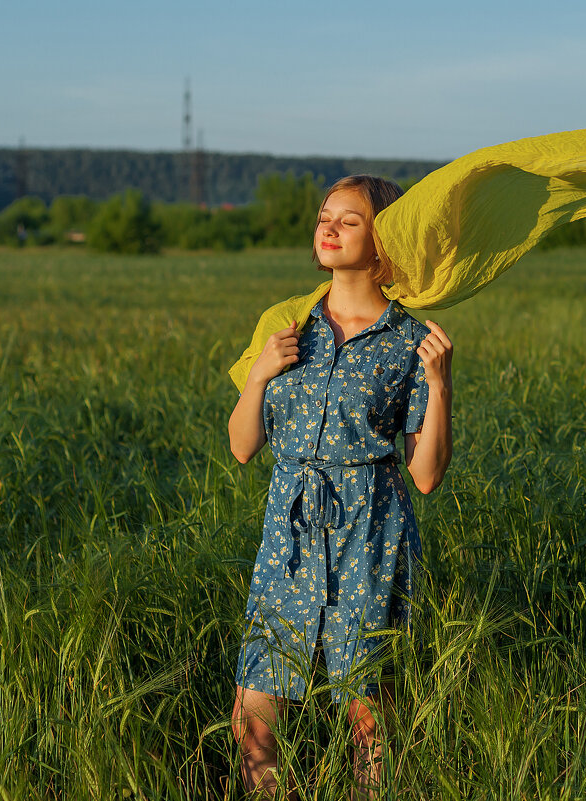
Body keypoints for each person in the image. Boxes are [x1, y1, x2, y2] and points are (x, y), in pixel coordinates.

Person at [227, 175, 454, 796]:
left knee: (369, 711)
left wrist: (439, 386)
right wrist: (260, 374)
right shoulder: (287, 323)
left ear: (383, 241)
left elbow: (427, 476)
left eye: (348, 221)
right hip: (290, 534)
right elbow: (243, 445)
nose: (327, 228)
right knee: (257, 705)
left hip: (370, 530)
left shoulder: (410, 342)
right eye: (325, 217)